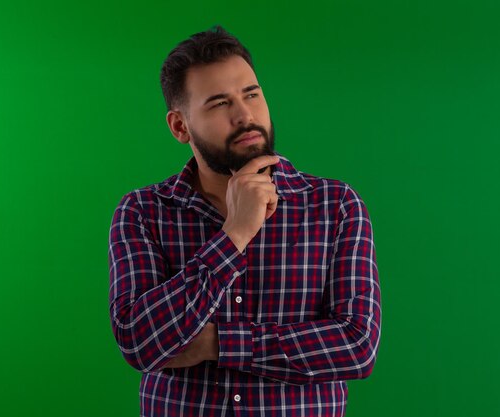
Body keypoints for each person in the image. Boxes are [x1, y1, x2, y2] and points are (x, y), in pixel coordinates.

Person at [108, 25, 381, 416]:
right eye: (219, 103)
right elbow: (140, 343)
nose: (245, 115)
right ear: (180, 126)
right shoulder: (143, 212)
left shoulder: (335, 206)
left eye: (251, 94)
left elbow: (356, 347)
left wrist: (217, 343)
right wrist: (235, 233)